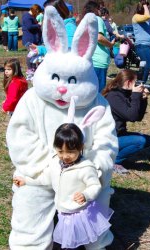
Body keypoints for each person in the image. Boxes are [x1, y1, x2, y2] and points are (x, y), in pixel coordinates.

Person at [7, 7, 117, 249]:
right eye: (56, 78)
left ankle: (95, 241)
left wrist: (91, 166)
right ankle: (30, 244)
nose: (63, 88)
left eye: (73, 81)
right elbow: (20, 136)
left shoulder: (97, 103)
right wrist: (47, 166)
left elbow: (106, 140)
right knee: (30, 204)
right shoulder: (33, 99)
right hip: (40, 169)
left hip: (83, 171)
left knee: (96, 204)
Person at [13, 123, 113, 249]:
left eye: (71, 152)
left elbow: (95, 186)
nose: (65, 156)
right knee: (69, 240)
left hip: (78, 213)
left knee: (77, 241)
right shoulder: (55, 162)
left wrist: (85, 195)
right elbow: (45, 178)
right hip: (63, 211)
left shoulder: (85, 168)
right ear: (55, 147)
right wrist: (26, 181)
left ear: (80, 147)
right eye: (60, 151)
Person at [102, 69, 150, 174]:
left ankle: (116, 156)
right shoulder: (114, 96)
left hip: (118, 133)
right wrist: (135, 95)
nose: (138, 85)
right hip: (107, 138)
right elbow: (132, 117)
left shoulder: (124, 93)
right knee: (141, 141)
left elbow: (138, 117)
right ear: (128, 82)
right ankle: (115, 161)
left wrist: (143, 99)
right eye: (136, 82)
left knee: (149, 140)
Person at [83, 1, 115, 92]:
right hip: (99, 61)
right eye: (99, 8)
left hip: (92, 59)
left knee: (91, 89)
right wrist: (110, 44)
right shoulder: (98, 19)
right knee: (99, 91)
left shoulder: (86, 20)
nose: (101, 10)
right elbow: (99, 38)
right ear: (95, 9)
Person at [132, 0, 150, 82]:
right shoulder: (136, 17)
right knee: (148, 66)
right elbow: (147, 16)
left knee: (145, 66)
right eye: (146, 7)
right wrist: (144, 4)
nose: (148, 9)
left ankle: (140, 82)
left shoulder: (142, 19)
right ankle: (142, 84)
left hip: (146, 45)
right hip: (142, 45)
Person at [22, 4, 42, 76]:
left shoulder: (31, 17)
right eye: (37, 12)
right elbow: (29, 27)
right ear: (35, 10)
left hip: (33, 39)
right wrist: (38, 25)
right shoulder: (27, 17)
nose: (37, 14)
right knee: (31, 54)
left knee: (34, 55)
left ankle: (33, 68)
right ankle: (30, 69)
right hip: (29, 39)